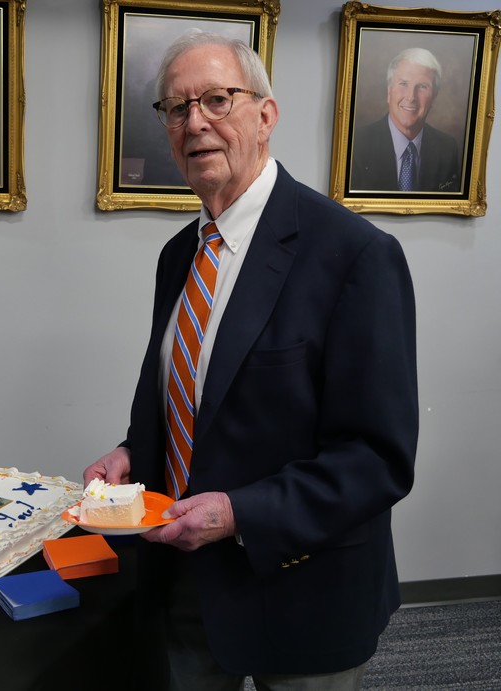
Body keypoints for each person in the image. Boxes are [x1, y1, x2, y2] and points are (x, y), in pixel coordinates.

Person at [82, 31, 418, 690]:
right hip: (184, 579)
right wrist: (133, 453)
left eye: (216, 99)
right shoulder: (180, 255)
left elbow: (377, 458)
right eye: (176, 109)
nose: (195, 122)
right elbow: (198, 402)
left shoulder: (355, 255)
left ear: (266, 115)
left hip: (304, 588)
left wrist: (238, 513)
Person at [350, 47, 459, 192]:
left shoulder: (447, 149)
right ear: (389, 91)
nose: (411, 97)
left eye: (422, 86)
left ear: (434, 97)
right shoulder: (356, 144)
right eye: (403, 84)